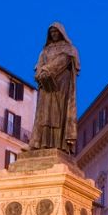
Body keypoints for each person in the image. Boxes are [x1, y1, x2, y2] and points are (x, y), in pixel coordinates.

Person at [29, 22, 80, 154]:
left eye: (56, 31)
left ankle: (58, 144)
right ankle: (39, 143)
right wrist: (40, 74)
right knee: (43, 114)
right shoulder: (45, 50)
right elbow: (38, 65)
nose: (54, 34)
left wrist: (47, 70)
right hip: (46, 86)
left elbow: (63, 61)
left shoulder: (69, 49)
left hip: (61, 85)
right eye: (52, 32)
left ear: (61, 32)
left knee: (57, 113)